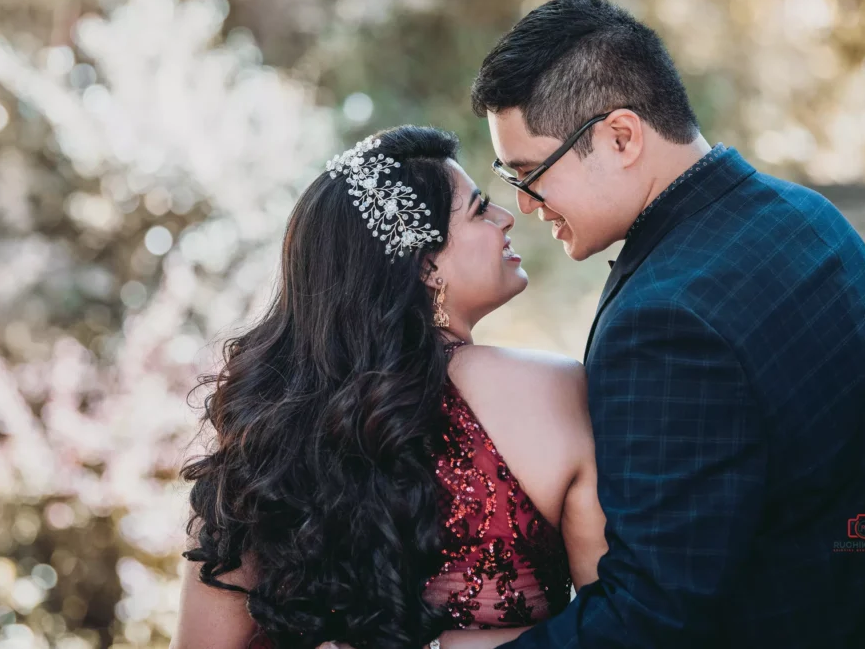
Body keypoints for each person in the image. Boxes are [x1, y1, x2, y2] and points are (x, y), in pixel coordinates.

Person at [472, 0, 865, 648]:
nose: (524, 205)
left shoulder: (666, 319)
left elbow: (651, 617)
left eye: (531, 173)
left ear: (621, 137)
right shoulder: (810, 218)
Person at [170, 126, 608, 649]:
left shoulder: (263, 441)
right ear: (425, 265)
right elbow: (622, 622)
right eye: (480, 209)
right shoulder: (551, 389)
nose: (507, 216)